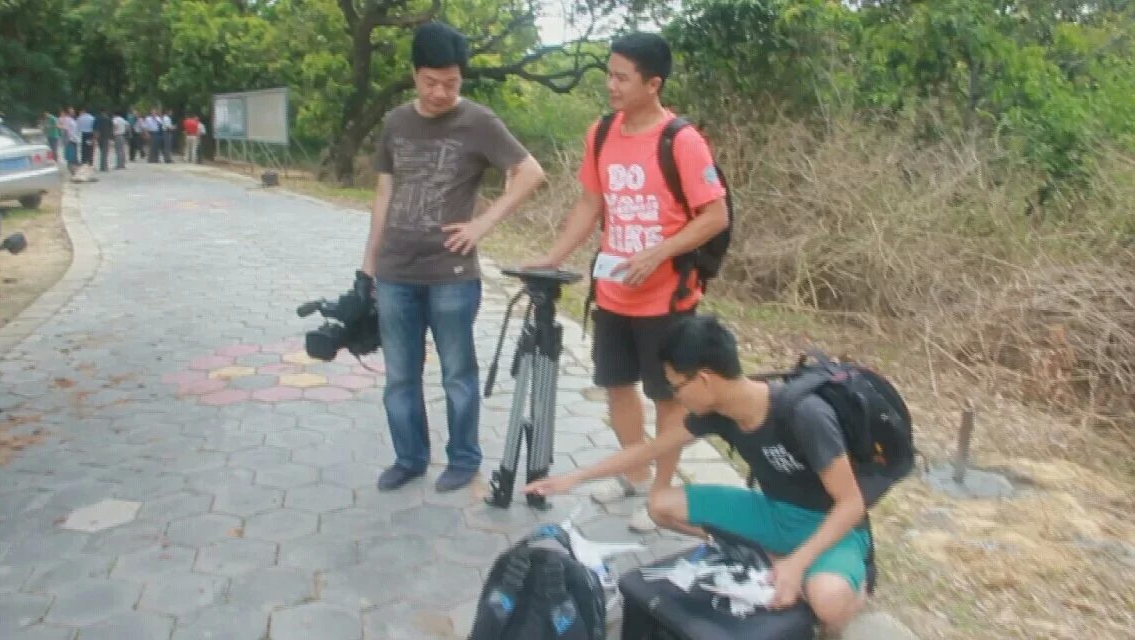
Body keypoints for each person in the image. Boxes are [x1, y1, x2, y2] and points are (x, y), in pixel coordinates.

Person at [526, 315, 872, 634]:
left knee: (827, 602)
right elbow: (651, 449)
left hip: (833, 527)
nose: (675, 395)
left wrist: (798, 564)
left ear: (704, 378)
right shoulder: (716, 412)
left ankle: (855, 585)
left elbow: (852, 504)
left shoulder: (804, 415)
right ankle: (772, 558)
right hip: (772, 513)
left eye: (676, 386)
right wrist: (575, 477)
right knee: (661, 505)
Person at [522, 32, 728, 532]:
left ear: (653, 84)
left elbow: (715, 215)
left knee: (668, 398)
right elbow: (590, 204)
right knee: (616, 387)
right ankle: (635, 473)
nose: (611, 85)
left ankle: (662, 493)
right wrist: (552, 257)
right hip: (614, 293)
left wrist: (659, 252)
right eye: (609, 75)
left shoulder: (680, 140)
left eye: (622, 78)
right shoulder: (600, 133)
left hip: (668, 298)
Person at [361, 21, 547, 493]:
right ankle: (409, 458)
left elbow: (530, 173)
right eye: (431, 82)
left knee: (457, 375)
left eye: (451, 82)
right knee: (399, 377)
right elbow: (384, 193)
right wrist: (368, 265)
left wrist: (482, 225)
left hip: (452, 275)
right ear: (414, 74)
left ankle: (463, 459)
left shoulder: (478, 121)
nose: (441, 92)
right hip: (395, 273)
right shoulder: (395, 122)